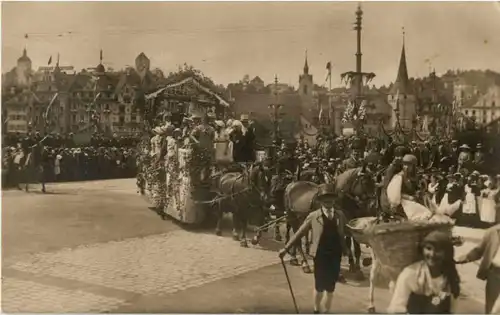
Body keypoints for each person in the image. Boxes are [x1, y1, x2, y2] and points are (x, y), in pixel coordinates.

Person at [279, 184, 350, 314]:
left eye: (331, 199)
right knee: (320, 286)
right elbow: (299, 233)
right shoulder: (314, 216)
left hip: (335, 253)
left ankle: (326, 311)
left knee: (331, 287)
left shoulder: (340, 215)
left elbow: (349, 231)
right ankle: (316, 310)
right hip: (320, 254)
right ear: (320, 201)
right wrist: (286, 248)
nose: (328, 202)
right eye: (325, 199)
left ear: (334, 200)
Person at [387, 230, 461, 314]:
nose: (432, 254)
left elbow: (453, 310)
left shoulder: (450, 277)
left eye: (438, 250)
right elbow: (396, 308)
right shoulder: (411, 274)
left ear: (447, 253)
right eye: (428, 248)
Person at [456, 224, 500, 314]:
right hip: (495, 273)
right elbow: (479, 250)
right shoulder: (493, 231)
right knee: (492, 308)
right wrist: (467, 257)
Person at [386, 154, 433, 220]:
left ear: (414, 166)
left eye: (409, 165)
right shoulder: (399, 177)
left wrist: (419, 192)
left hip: (414, 198)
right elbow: (394, 195)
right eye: (405, 164)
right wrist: (408, 197)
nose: (407, 167)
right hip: (403, 201)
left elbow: (417, 189)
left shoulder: (414, 177)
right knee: (423, 213)